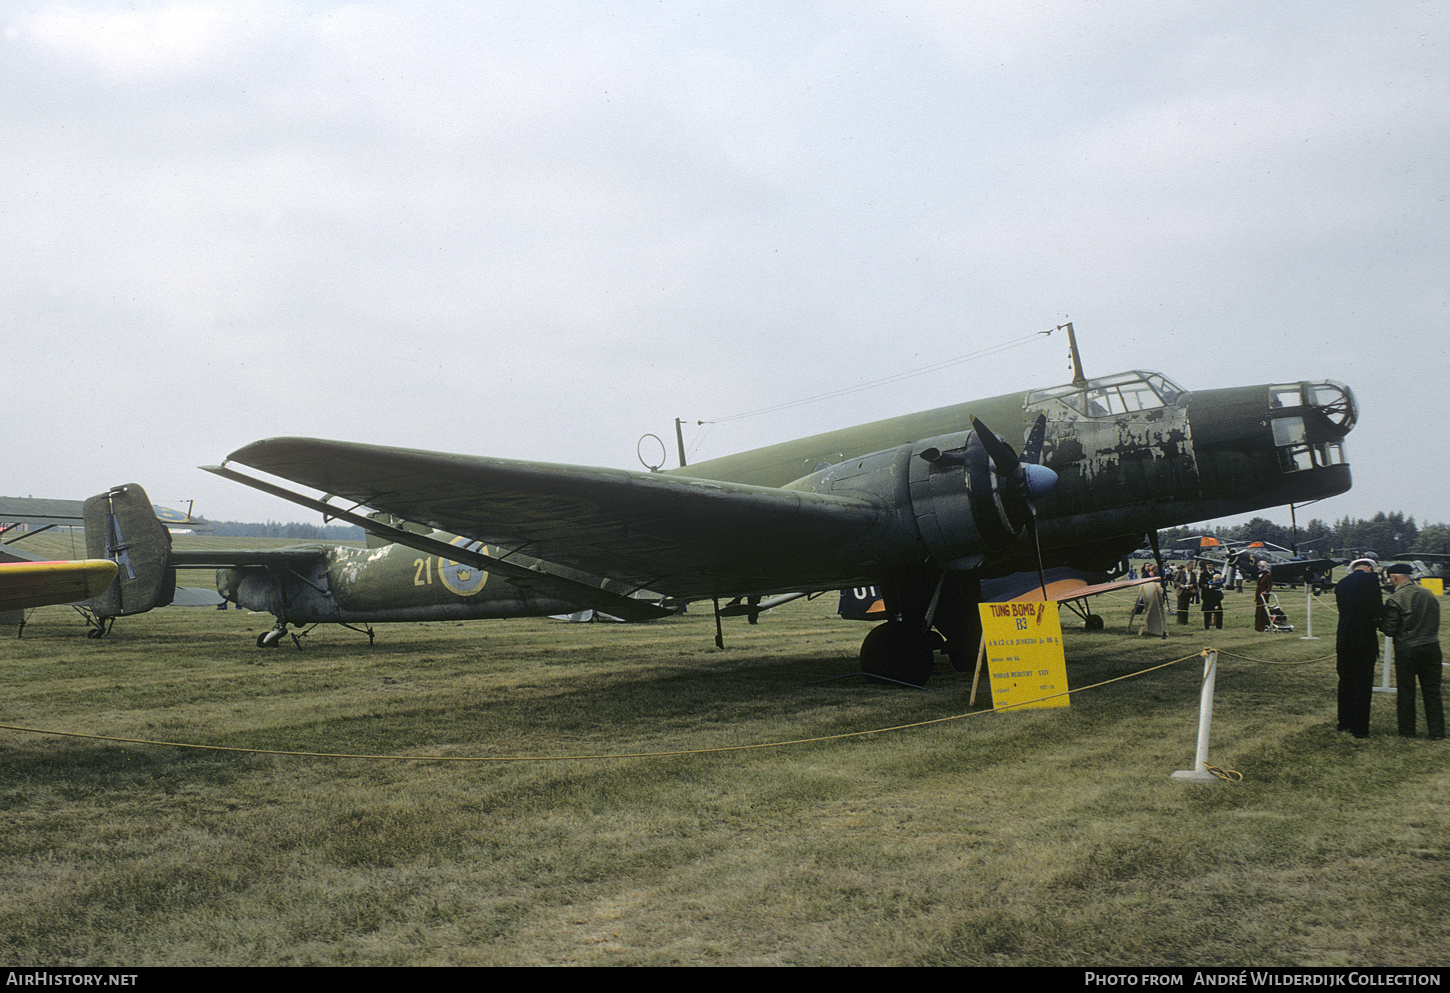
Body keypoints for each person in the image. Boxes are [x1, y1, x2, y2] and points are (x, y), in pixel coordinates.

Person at [1381, 564, 1444, 740]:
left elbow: (1390, 630)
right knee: (1432, 691)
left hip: (1408, 648)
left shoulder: (1396, 598)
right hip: (1432, 645)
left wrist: (1378, 622)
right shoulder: (1428, 594)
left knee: (1407, 691)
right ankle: (1437, 732)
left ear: (1394, 578)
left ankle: (1408, 732)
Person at [1335, 558, 1383, 738]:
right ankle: (1360, 728)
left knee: (1346, 680)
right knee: (1363, 682)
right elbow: (1376, 608)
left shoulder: (1341, 583)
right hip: (1363, 637)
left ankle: (1344, 722)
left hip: (1344, 637)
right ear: (1369, 568)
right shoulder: (1371, 579)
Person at [1253, 563, 1275, 632]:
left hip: (1264, 596)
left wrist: (1265, 591)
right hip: (1259, 595)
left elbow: (1269, 586)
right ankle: (1258, 627)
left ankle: (1264, 625)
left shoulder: (1268, 576)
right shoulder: (1261, 575)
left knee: (1263, 611)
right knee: (1258, 611)